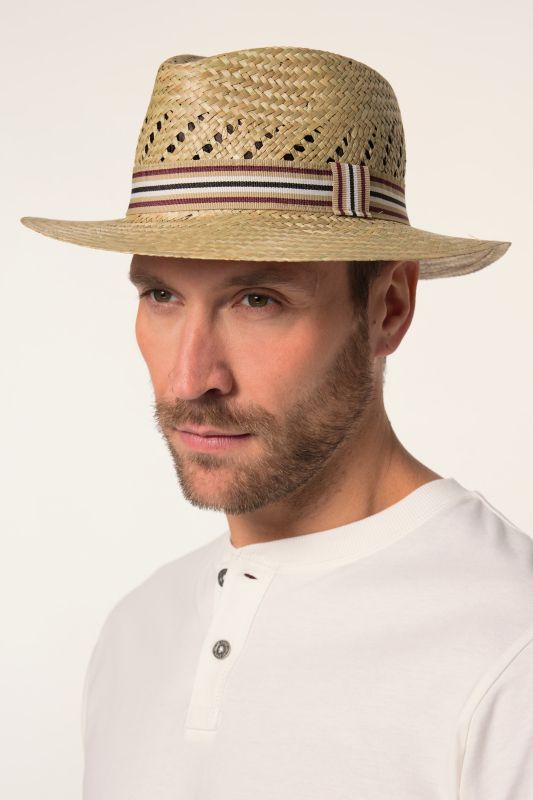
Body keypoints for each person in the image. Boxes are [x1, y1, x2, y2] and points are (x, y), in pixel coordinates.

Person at [20, 46, 533, 799]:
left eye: (257, 300)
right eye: (161, 295)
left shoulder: (510, 648)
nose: (191, 378)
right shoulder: (137, 633)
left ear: (388, 308)